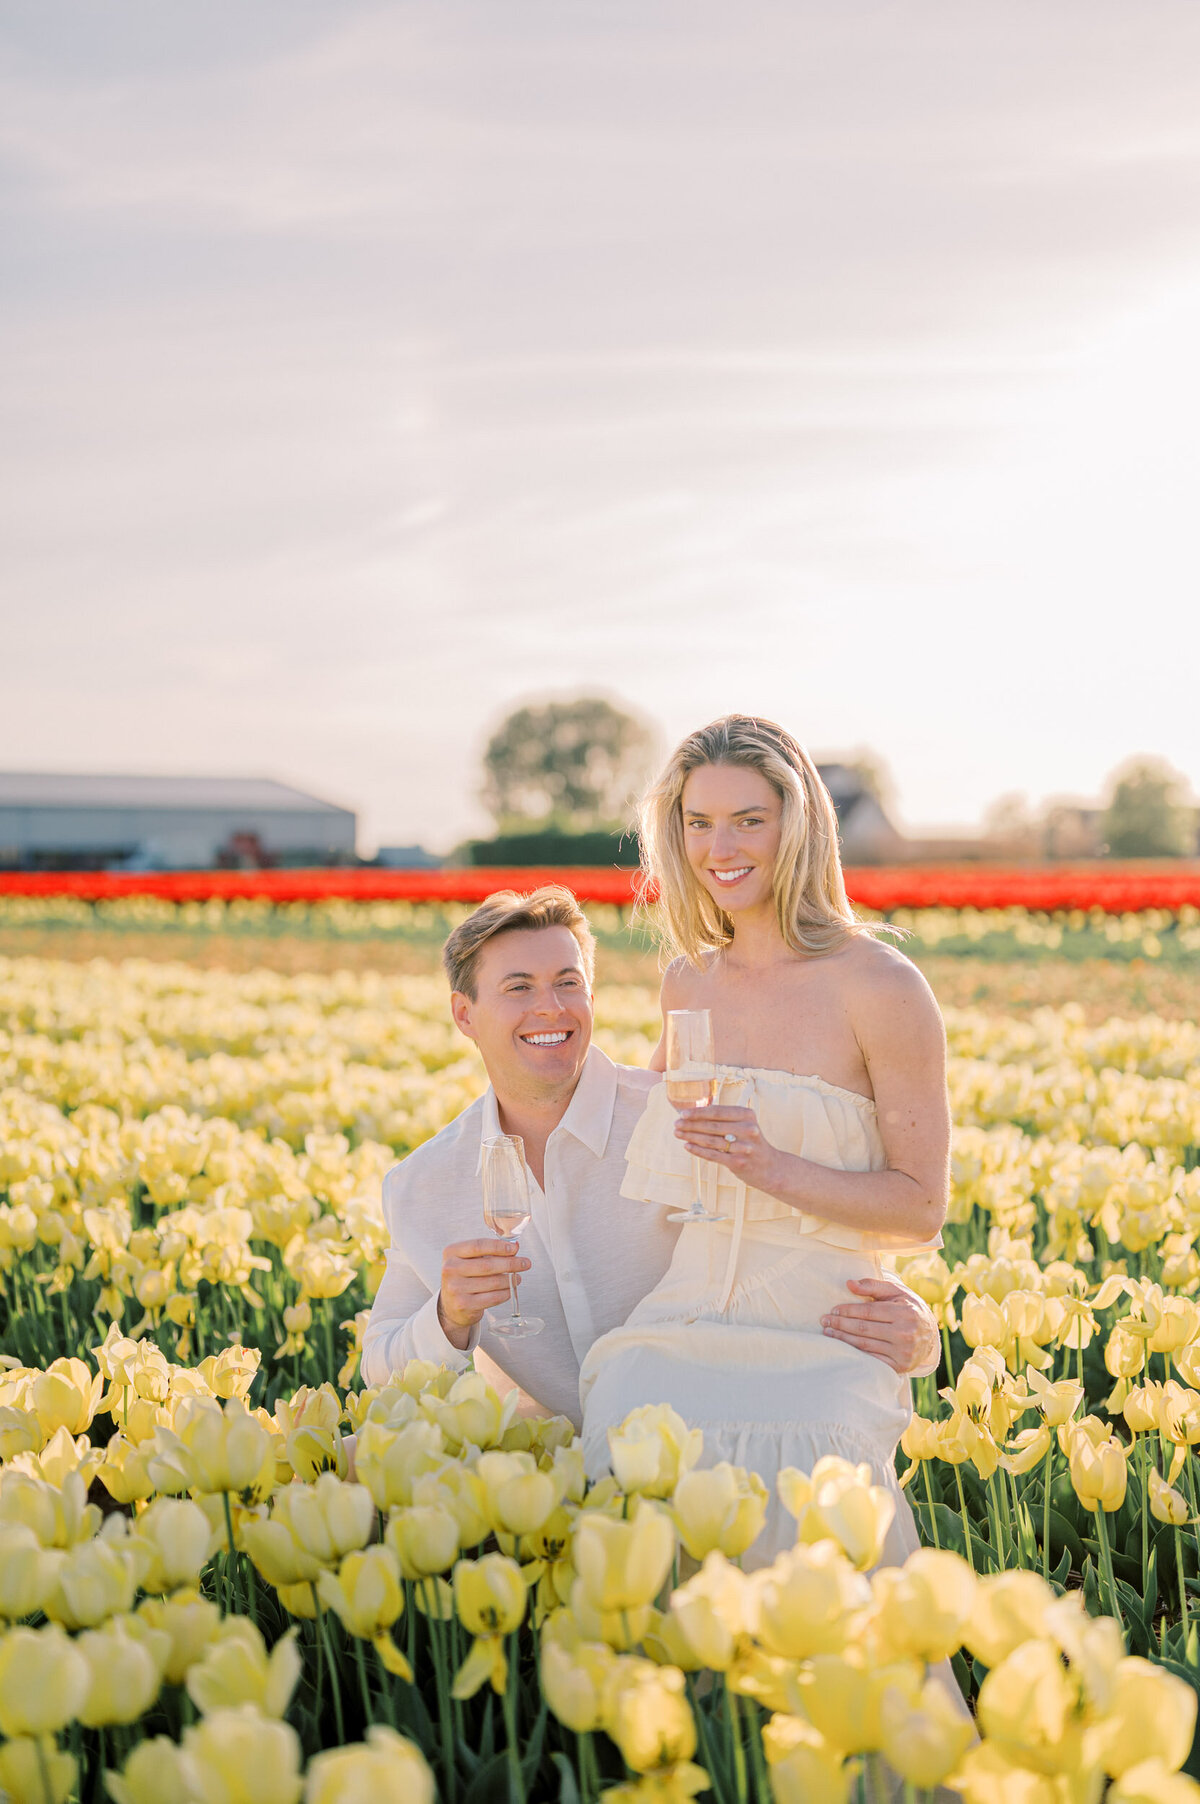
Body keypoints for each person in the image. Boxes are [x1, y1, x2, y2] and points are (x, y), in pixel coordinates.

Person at [579, 715, 951, 1569]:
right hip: (687, 1310)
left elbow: (919, 1209)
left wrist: (769, 1165)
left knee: (809, 1460)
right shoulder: (688, 981)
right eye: (698, 822)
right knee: (627, 1411)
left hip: (827, 1323)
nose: (721, 847)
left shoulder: (881, 985)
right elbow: (622, 1160)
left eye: (749, 819)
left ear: (799, 824)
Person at [361, 886, 940, 1434]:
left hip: (690, 1450)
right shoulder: (422, 1184)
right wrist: (448, 1317)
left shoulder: (681, 1125)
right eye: (519, 988)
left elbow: (798, 1257)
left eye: (568, 983)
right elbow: (380, 1367)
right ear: (465, 1015)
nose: (550, 1009)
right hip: (530, 1479)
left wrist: (917, 1328)